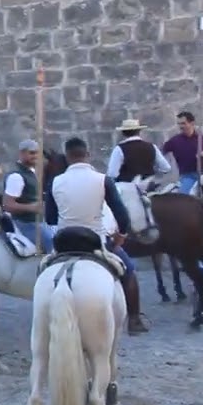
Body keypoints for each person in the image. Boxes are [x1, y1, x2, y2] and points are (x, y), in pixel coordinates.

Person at [48, 137, 148, 335]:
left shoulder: (55, 182)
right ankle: (134, 320)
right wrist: (121, 235)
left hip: (63, 242)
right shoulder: (103, 180)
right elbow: (121, 215)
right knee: (129, 269)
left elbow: (50, 218)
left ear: (67, 157)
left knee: (42, 272)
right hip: (95, 241)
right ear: (88, 155)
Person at [2, 139, 54, 252]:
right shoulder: (16, 176)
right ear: (21, 154)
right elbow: (8, 205)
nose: (35, 156)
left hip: (37, 221)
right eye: (31, 153)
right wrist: (32, 207)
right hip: (25, 223)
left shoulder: (31, 172)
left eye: (37, 153)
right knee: (53, 246)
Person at [107, 118, 171, 183]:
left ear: (123, 133)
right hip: (148, 186)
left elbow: (112, 173)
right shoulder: (152, 147)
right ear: (139, 131)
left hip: (127, 186)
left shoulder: (119, 149)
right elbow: (166, 168)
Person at [162, 111, 203, 195]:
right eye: (179, 124)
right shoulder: (174, 141)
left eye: (183, 123)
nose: (181, 126)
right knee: (184, 197)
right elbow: (161, 153)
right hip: (187, 176)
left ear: (192, 123)